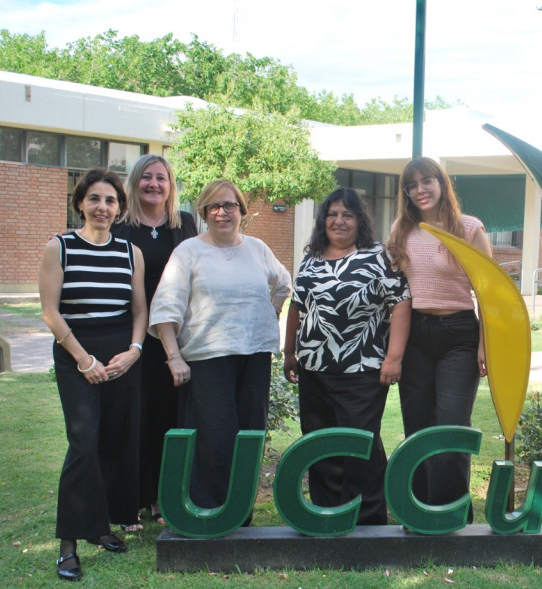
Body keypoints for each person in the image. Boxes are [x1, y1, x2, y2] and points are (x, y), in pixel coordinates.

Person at [149, 179, 291, 516]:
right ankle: (210, 513)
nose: (221, 212)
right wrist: (174, 358)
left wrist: (271, 311)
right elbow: (165, 307)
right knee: (216, 438)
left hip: (254, 357)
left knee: (249, 435)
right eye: (213, 206)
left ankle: (240, 513)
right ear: (203, 213)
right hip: (207, 358)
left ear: (241, 210)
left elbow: (284, 282)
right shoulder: (188, 252)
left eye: (229, 205)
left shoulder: (257, 248)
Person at [39, 168, 148, 581]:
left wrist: (134, 351)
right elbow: (51, 311)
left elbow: (140, 310)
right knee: (83, 443)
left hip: (120, 351)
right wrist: (84, 359)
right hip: (75, 350)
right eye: (95, 199)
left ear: (119, 208)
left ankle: (101, 527)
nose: (103, 207)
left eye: (111, 201)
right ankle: (68, 543)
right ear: (80, 203)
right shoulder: (59, 247)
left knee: (114, 440)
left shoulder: (129, 252)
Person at [284, 188, 411, 524]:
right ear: (323, 219)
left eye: (347, 214)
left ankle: (367, 520)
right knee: (320, 443)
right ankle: (327, 515)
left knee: (359, 445)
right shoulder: (312, 256)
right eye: (332, 214)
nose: (338, 221)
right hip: (314, 368)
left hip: (363, 369)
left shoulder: (377, 257)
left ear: (359, 221)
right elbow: (298, 306)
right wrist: (289, 352)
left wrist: (394, 357)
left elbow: (400, 303)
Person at [387, 157, 492, 521]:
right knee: (417, 427)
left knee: (450, 425)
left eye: (426, 181)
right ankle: (418, 511)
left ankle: (450, 513)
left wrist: (484, 344)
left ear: (441, 182)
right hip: (415, 334)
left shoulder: (468, 228)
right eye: (412, 185)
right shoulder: (402, 228)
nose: (420, 190)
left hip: (459, 335)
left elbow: (489, 292)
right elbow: (394, 291)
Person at [112, 154, 198, 526]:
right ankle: (130, 499)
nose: (153, 184)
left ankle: (163, 499)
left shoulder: (186, 225)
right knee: (132, 418)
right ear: (135, 182)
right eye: (146, 177)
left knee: (168, 416)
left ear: (170, 185)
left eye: (161, 178)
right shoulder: (120, 228)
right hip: (131, 336)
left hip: (175, 337)